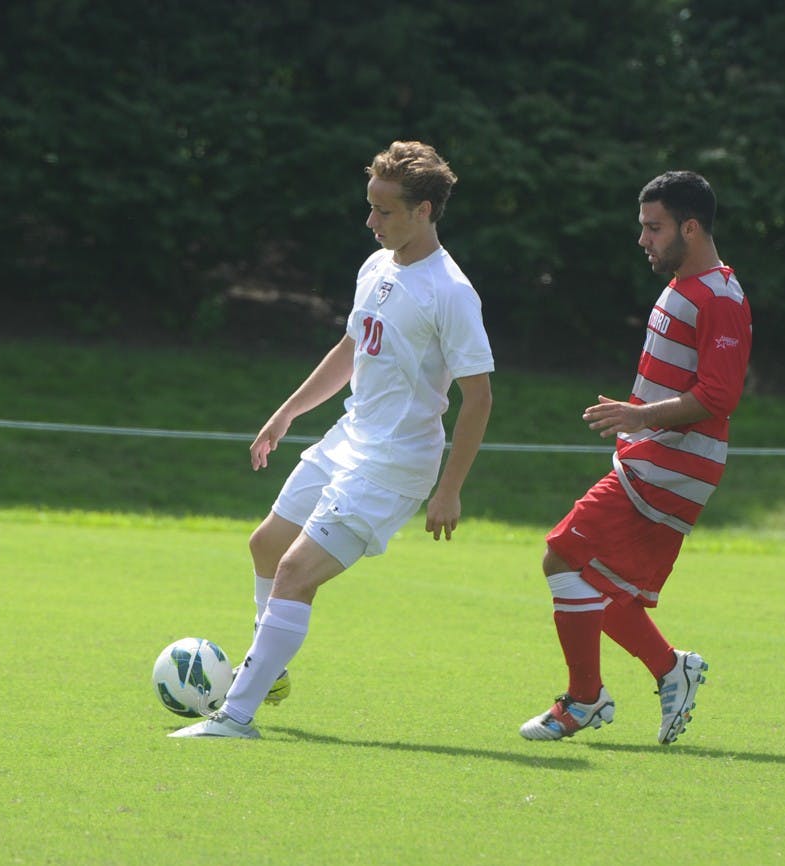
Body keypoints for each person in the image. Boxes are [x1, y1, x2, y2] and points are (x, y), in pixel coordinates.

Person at [170, 140, 495, 739]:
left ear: (424, 211)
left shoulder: (451, 292)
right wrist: (289, 411)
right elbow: (352, 348)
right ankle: (270, 670)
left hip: (395, 462)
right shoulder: (375, 267)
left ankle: (237, 713)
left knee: (295, 573)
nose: (371, 222)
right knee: (266, 547)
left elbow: (479, 398)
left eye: (385, 211)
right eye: (370, 208)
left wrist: (450, 490)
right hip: (348, 439)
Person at [520, 170, 751, 745]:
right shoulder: (684, 284)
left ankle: (584, 699)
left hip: (672, 466)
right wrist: (639, 422)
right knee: (607, 587)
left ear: (690, 228)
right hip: (655, 461)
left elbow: (720, 396)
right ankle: (673, 670)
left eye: (654, 227)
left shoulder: (718, 296)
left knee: (562, 556)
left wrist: (640, 417)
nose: (643, 239)